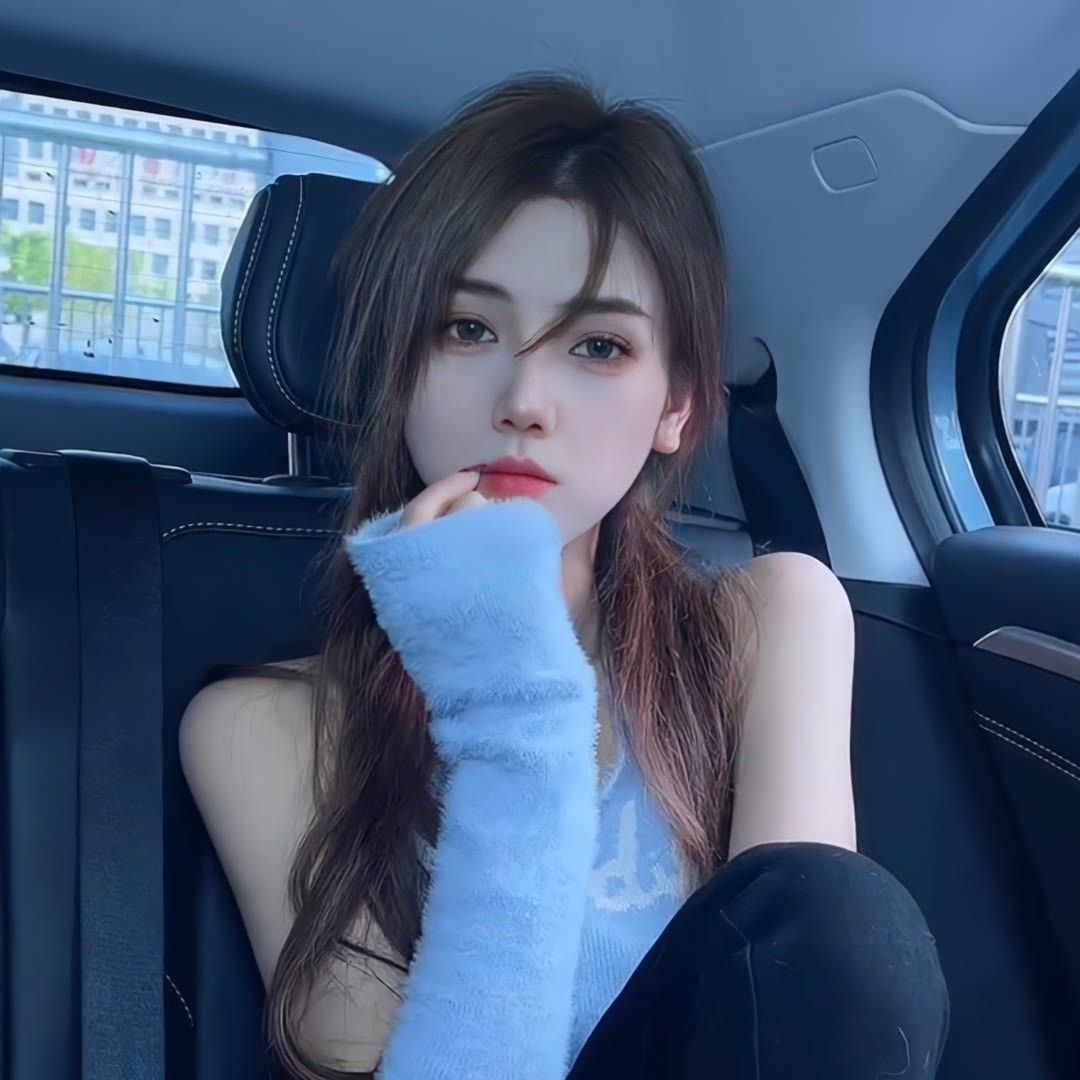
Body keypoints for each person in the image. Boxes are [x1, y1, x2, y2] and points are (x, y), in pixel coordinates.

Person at [179, 71, 950, 1080]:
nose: (525, 398)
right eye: (468, 329)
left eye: (598, 345)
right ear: (399, 369)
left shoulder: (766, 623)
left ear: (676, 405)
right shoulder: (262, 729)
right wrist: (514, 721)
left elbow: (814, 995)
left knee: (839, 916)